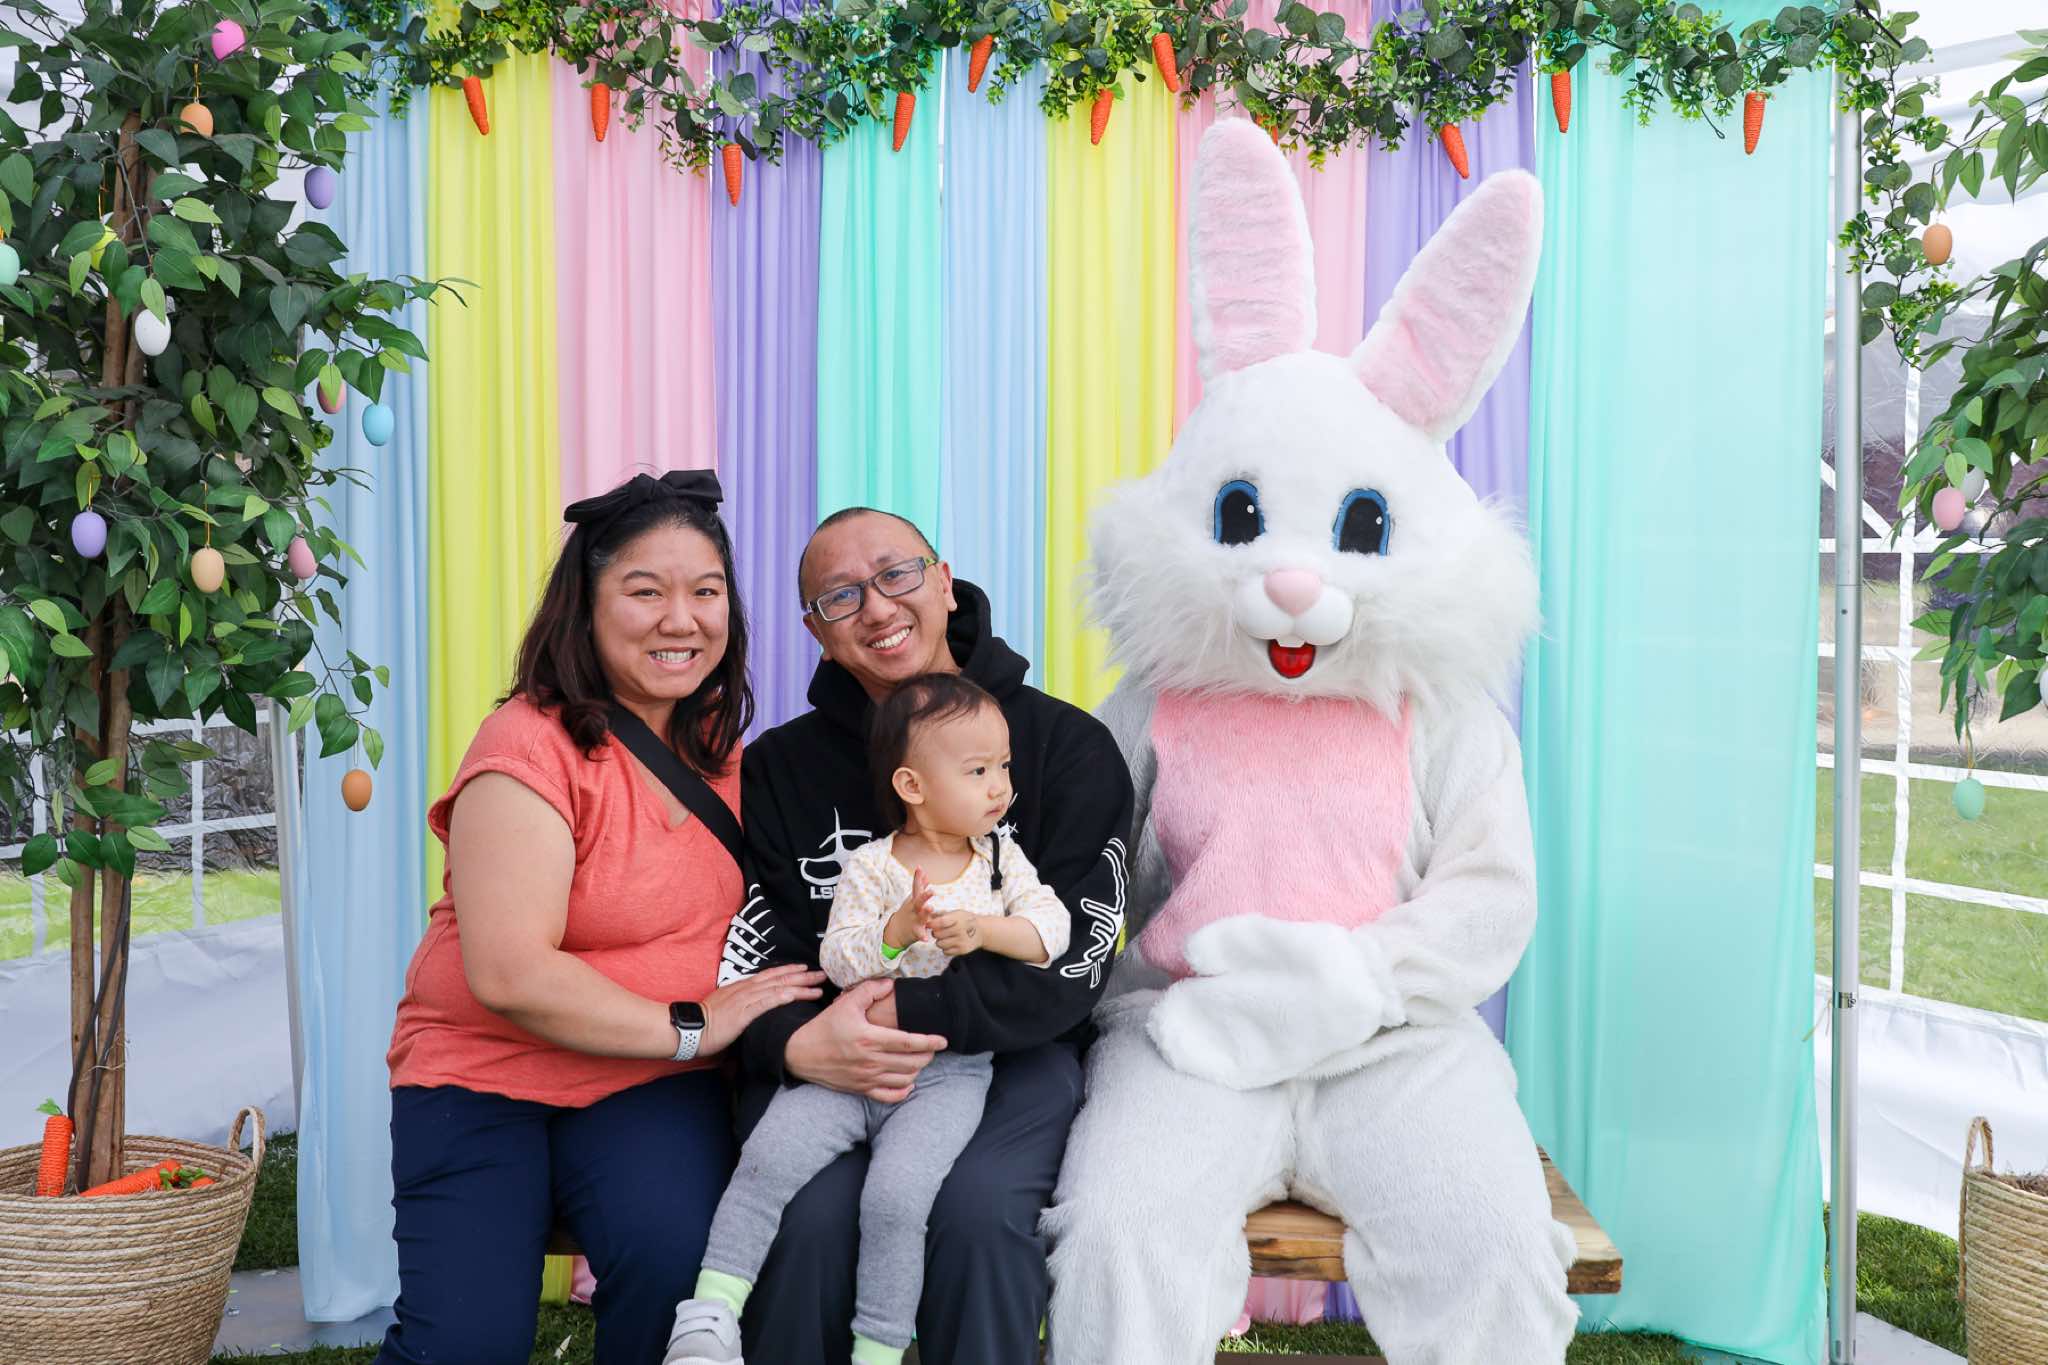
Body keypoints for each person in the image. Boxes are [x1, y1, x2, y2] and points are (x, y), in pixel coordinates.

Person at [376, 470, 824, 1365]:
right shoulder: (525, 744)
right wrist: (694, 1026)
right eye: (645, 591)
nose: (680, 619)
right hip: (481, 1074)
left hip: (645, 1087)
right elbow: (510, 971)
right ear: (585, 606)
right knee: (463, 1345)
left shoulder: (729, 753)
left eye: (706, 592)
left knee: (677, 1293)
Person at [715, 507, 1134, 1365]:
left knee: (979, 1212)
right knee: (809, 1212)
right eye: (841, 596)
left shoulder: (1065, 748)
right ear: (817, 632)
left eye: (897, 574)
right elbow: (759, 946)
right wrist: (792, 1043)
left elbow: (1070, 954)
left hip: (1013, 1052)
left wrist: (903, 1009)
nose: (876, 606)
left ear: (944, 583)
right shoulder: (778, 769)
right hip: (829, 1053)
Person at [665, 673, 1070, 1365]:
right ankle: (710, 1314)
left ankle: (877, 1349)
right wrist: (895, 931)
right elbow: (839, 958)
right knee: (767, 1160)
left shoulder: (1002, 861)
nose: (1001, 787)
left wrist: (983, 931)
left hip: (945, 1077)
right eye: (978, 771)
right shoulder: (872, 866)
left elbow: (1051, 932)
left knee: (896, 1199)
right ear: (913, 786)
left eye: (1004, 766)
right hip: (847, 1066)